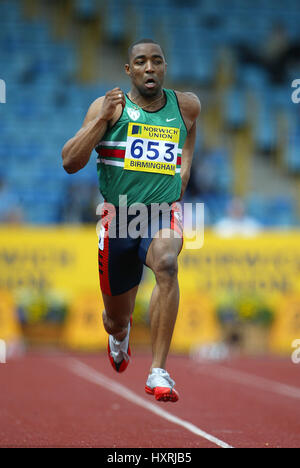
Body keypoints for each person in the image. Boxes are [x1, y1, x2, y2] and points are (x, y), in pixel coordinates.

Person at [62, 38, 201, 402]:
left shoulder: (185, 106)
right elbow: (70, 162)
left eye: (157, 61)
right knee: (115, 318)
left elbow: (189, 138)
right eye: (141, 62)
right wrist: (102, 121)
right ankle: (120, 335)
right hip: (119, 218)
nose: (150, 68)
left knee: (167, 265)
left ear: (165, 67)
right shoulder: (108, 106)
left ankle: (158, 370)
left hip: (161, 212)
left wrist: (182, 174)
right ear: (129, 70)